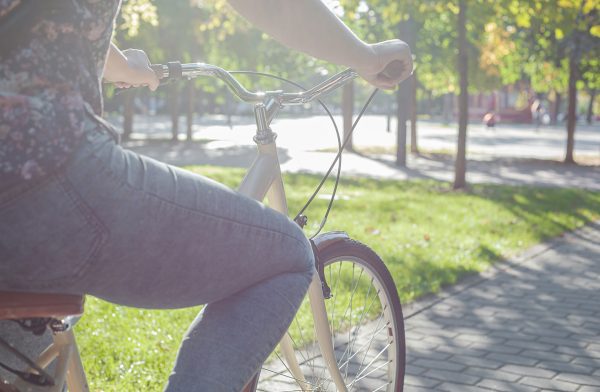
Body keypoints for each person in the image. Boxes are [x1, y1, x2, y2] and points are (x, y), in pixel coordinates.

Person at [0, 0, 412, 390]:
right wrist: (366, 56)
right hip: (43, 166)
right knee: (286, 254)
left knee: (27, 363)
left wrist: (124, 65)